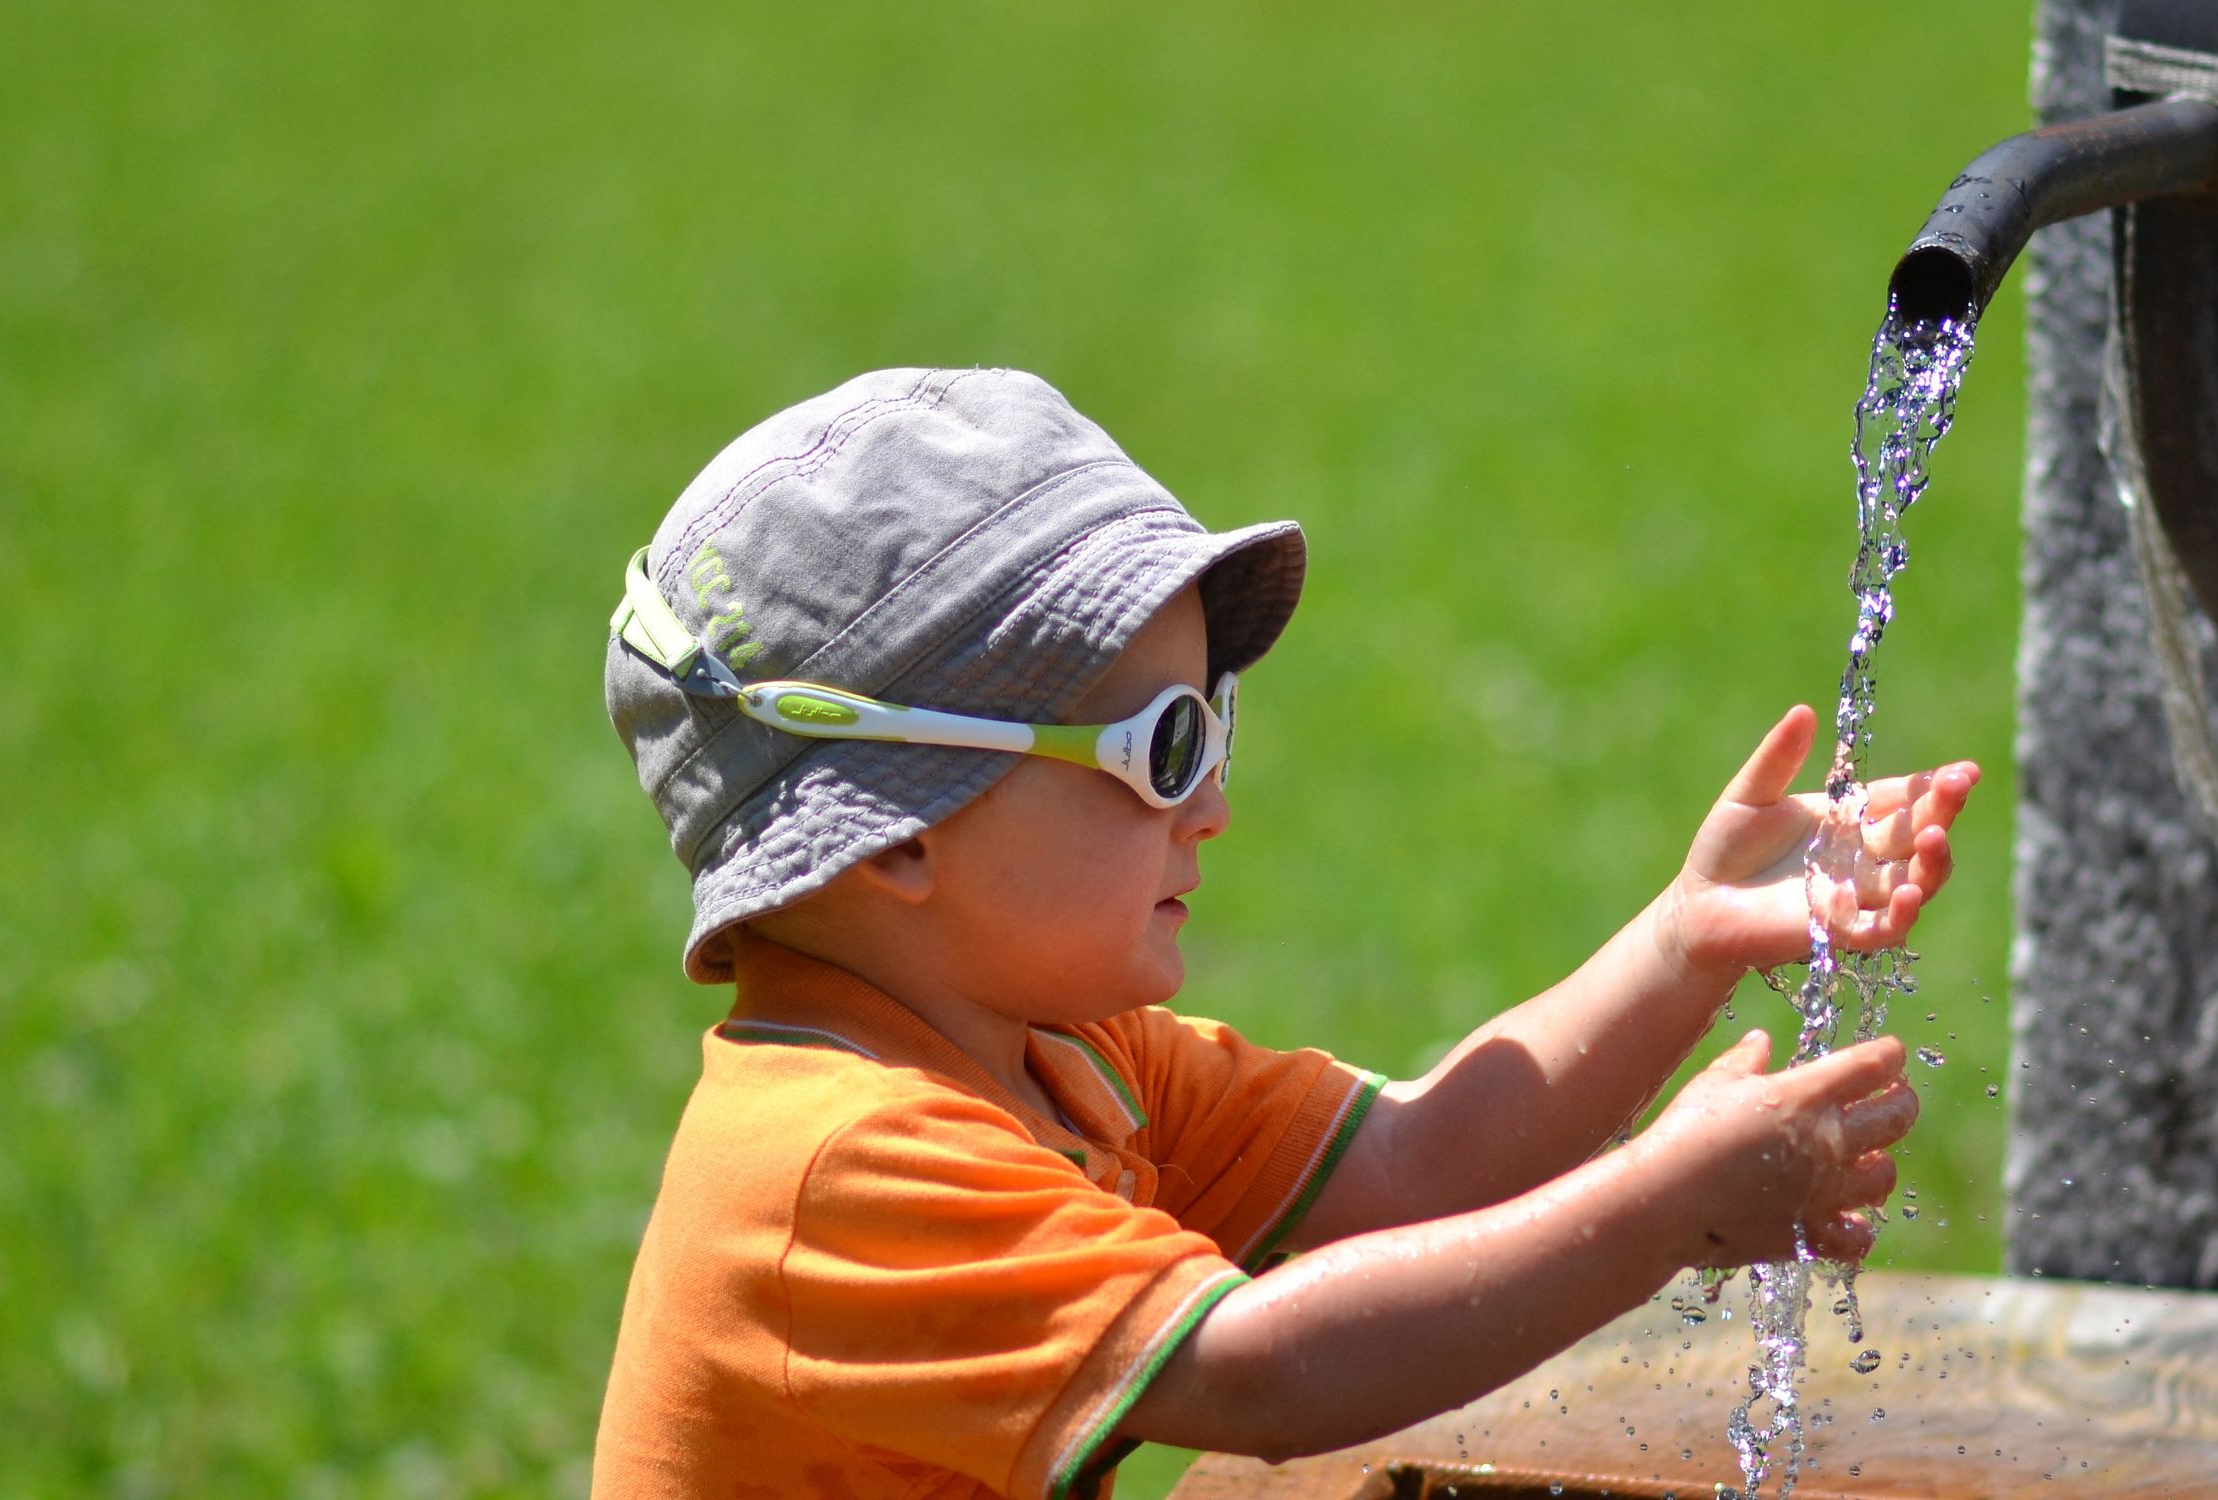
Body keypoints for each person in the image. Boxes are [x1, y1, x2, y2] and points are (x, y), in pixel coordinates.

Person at [590, 367, 1978, 1500]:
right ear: (899, 823)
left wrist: (1685, 942)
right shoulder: (836, 1166)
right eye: (1162, 745)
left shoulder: (1068, 1058)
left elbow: (1419, 1153)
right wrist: (1664, 1205)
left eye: (1215, 725)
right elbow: (1262, 1371)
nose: (1212, 808)